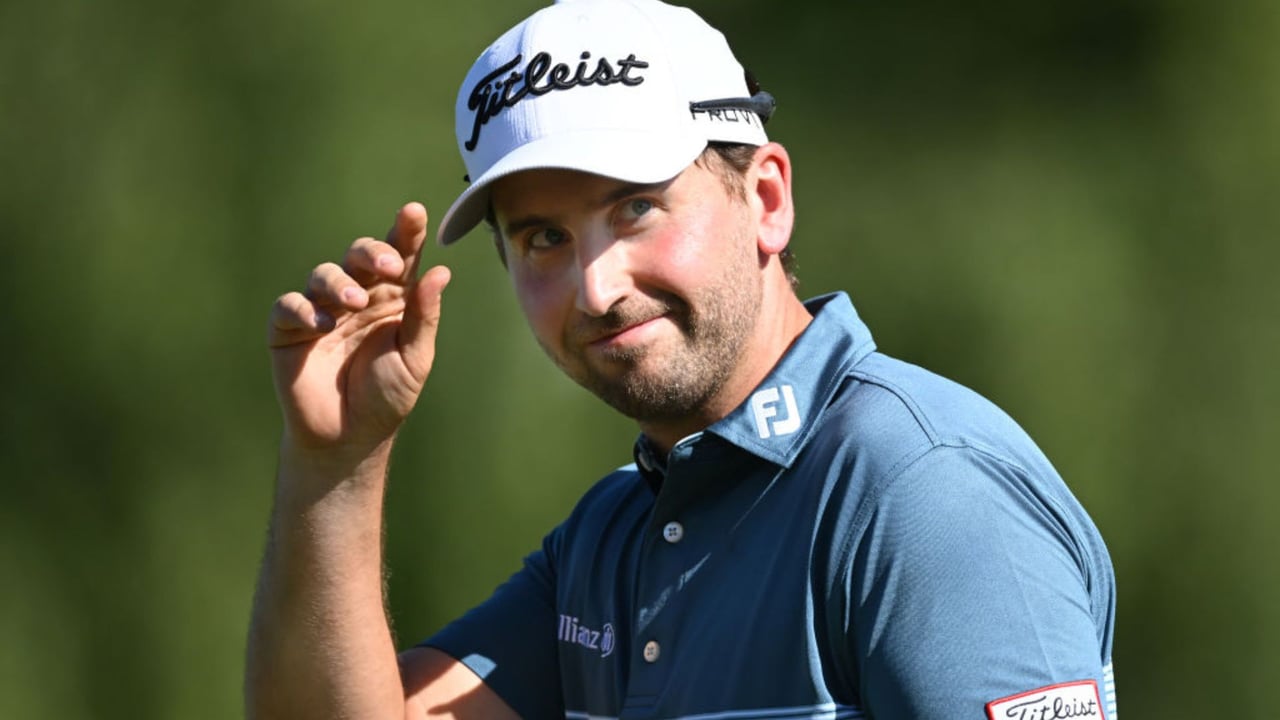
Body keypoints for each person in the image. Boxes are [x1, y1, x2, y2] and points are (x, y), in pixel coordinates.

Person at [245, 0, 1118, 718]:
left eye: (635, 210)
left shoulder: (921, 491)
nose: (596, 288)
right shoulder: (609, 535)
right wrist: (336, 468)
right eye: (545, 238)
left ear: (766, 199)